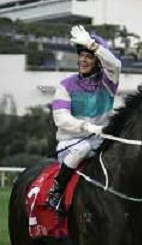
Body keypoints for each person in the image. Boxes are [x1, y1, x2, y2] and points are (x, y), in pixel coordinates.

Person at [46, 25, 122, 212]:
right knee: (83, 148)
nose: (83, 60)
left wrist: (92, 44)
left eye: (88, 56)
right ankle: (57, 190)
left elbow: (116, 65)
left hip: (100, 142)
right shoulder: (65, 85)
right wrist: (86, 126)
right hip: (71, 143)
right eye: (81, 55)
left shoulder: (108, 82)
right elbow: (61, 119)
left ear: (98, 61)